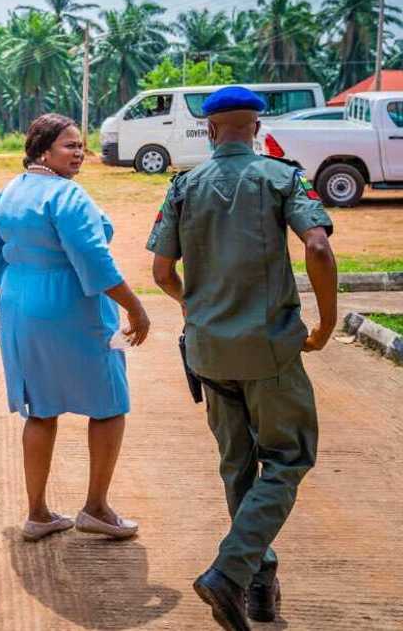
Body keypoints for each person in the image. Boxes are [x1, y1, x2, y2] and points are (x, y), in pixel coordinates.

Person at [147, 85, 337, 630]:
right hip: (269, 349)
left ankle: (259, 586)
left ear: (209, 130)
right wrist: (323, 323)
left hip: (208, 351)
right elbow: (318, 247)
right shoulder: (282, 177)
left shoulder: (183, 186)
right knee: (288, 458)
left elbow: (162, 273)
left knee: (238, 466)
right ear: (256, 127)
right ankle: (229, 574)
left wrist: (199, 306)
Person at [0, 113, 150, 542]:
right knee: (110, 405)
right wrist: (136, 308)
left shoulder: (9, 193)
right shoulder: (68, 196)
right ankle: (96, 508)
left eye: (81, 145)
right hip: (70, 306)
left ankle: (38, 514)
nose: (79, 152)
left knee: (40, 409)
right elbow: (94, 261)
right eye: (69, 146)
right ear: (43, 150)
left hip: (20, 304)